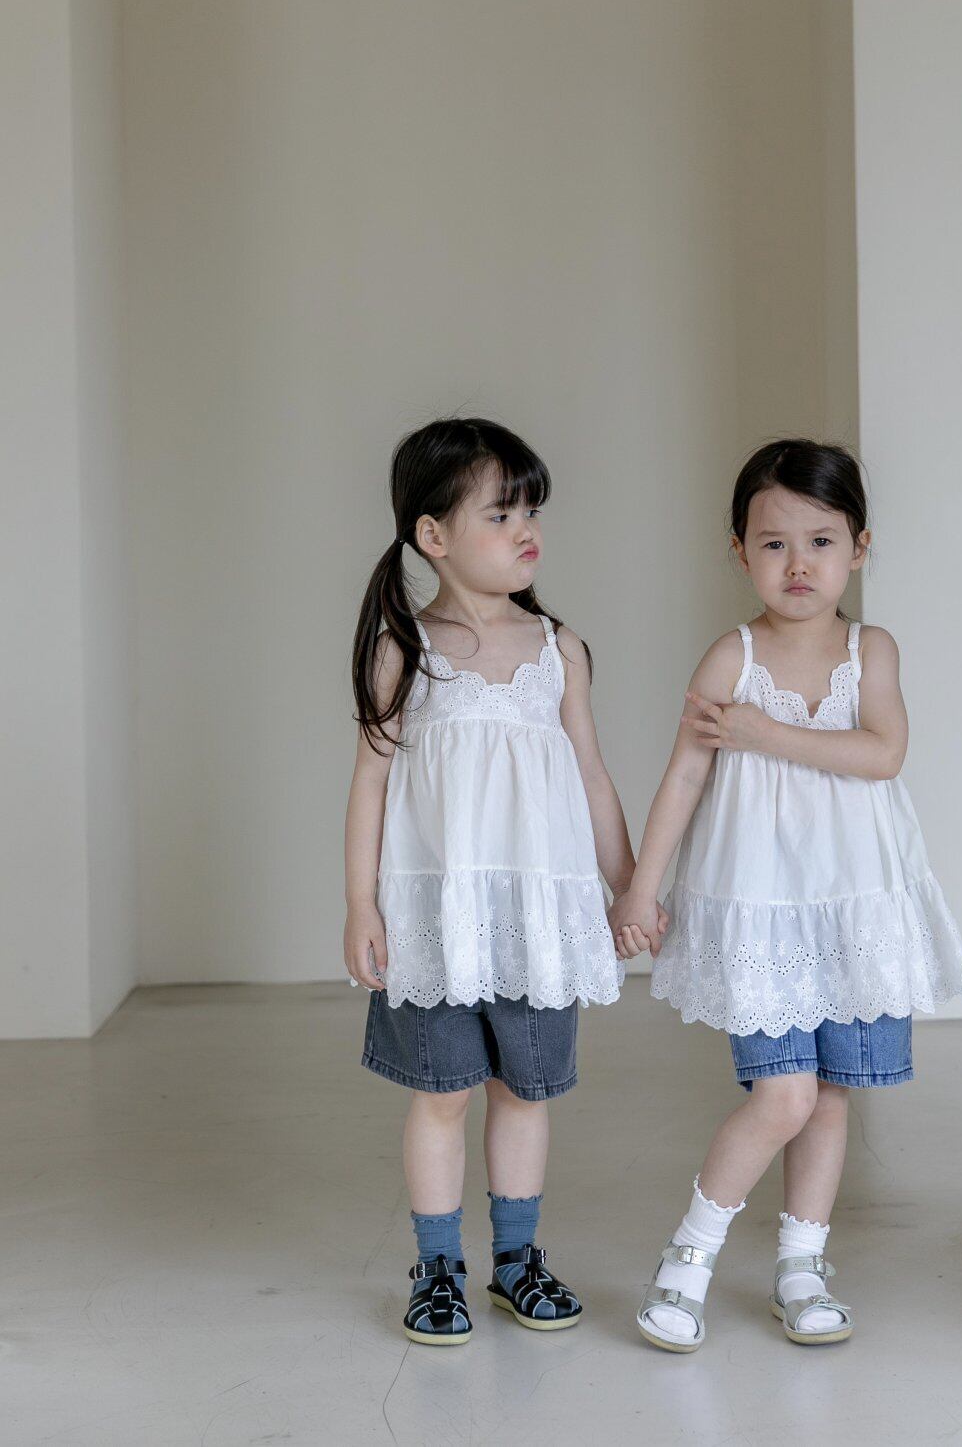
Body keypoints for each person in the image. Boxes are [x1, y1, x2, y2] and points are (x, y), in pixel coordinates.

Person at [610, 437, 962, 1351]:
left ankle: (801, 1266)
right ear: (740, 551)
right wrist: (641, 890)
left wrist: (766, 734)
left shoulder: (869, 650)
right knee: (782, 1094)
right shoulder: (730, 659)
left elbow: (882, 752)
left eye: (821, 540)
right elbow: (684, 776)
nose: (798, 563)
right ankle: (688, 1257)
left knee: (833, 1094)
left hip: (853, 906)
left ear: (859, 547)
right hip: (762, 910)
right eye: (774, 543)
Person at [345, 416, 643, 1346]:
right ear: (433, 534)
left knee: (525, 1089)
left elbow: (592, 776)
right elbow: (371, 781)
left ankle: (516, 1258)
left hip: (535, 918)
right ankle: (437, 1267)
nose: (527, 531)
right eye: (502, 514)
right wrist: (360, 903)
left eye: (532, 511)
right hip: (438, 918)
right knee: (440, 1092)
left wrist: (627, 885)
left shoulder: (558, 649)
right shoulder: (406, 648)